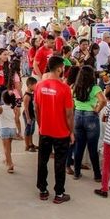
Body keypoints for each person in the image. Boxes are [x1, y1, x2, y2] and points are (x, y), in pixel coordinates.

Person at [35, 56, 74, 204]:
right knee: (60, 162)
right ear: (59, 68)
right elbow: (69, 114)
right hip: (61, 132)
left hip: (44, 130)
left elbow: (36, 108)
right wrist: (71, 131)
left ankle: (43, 190)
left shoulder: (39, 85)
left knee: (42, 160)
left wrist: (41, 125)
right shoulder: (64, 88)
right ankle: (59, 193)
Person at [71, 65, 106, 181]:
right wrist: (97, 109)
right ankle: (97, 175)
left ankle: (76, 172)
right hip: (91, 116)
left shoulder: (75, 87)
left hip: (77, 116)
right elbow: (103, 101)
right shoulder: (95, 88)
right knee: (92, 147)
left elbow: (71, 101)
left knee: (79, 146)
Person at [0, 90, 18, 174]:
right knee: (9, 146)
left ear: (3, 98)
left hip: (4, 129)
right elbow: (16, 119)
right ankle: (7, 159)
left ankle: (10, 164)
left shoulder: (1, 108)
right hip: (12, 128)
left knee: (5, 148)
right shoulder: (15, 107)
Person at [23, 77, 38, 152]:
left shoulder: (31, 94)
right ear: (29, 85)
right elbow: (25, 109)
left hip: (32, 115)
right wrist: (28, 118)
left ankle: (31, 143)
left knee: (32, 130)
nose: (36, 86)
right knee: (27, 130)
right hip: (28, 115)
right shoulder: (27, 96)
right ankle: (27, 145)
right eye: (34, 85)